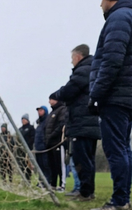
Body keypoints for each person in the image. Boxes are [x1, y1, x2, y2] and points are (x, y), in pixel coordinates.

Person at [88, 0, 132, 210]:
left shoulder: (119, 18)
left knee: (116, 149)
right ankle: (123, 198)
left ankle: (119, 200)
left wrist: (96, 94)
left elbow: (112, 61)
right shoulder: (127, 16)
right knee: (124, 148)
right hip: (125, 96)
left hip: (116, 96)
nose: (101, 4)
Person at [49, 44, 99, 201]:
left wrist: (56, 94)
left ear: (78, 56)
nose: (71, 62)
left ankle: (85, 192)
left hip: (82, 123)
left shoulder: (83, 71)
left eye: (72, 58)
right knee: (88, 159)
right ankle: (88, 190)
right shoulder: (92, 68)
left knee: (81, 159)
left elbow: (69, 90)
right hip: (89, 123)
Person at [45, 99, 67, 190]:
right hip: (50, 143)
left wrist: (53, 135)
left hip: (58, 142)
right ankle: (53, 184)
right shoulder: (51, 113)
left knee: (60, 164)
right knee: (52, 165)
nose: (49, 101)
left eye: (51, 99)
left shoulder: (62, 110)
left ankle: (62, 184)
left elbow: (61, 125)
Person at [34, 106, 51, 185]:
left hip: (44, 148)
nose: (39, 112)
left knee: (46, 165)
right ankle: (40, 181)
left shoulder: (47, 121)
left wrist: (45, 144)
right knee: (40, 166)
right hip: (38, 148)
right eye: (38, 110)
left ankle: (47, 181)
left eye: (41, 110)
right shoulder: (39, 123)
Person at [17, 113, 35, 181]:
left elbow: (33, 138)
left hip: (28, 149)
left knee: (28, 164)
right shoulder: (20, 129)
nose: (23, 121)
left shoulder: (31, 128)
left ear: (27, 120)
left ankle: (28, 179)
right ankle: (23, 178)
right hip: (20, 150)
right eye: (22, 119)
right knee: (22, 164)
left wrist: (27, 145)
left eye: (24, 119)